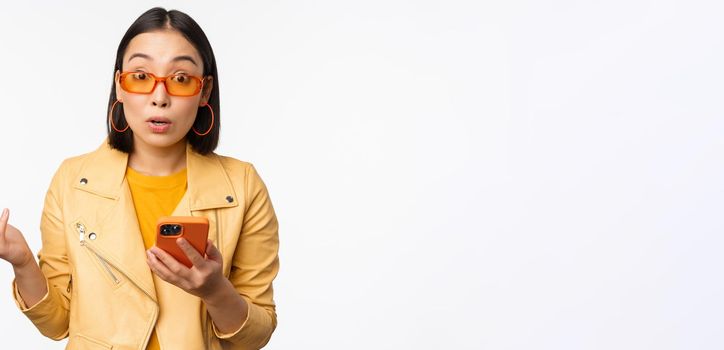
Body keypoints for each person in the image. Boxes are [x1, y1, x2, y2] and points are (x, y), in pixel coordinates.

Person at [0, 7, 280, 350]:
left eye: (180, 79)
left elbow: (256, 336)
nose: (159, 98)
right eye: (141, 76)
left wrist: (214, 290)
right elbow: (57, 323)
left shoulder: (242, 185)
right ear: (120, 86)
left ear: (204, 91)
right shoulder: (73, 180)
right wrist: (23, 261)